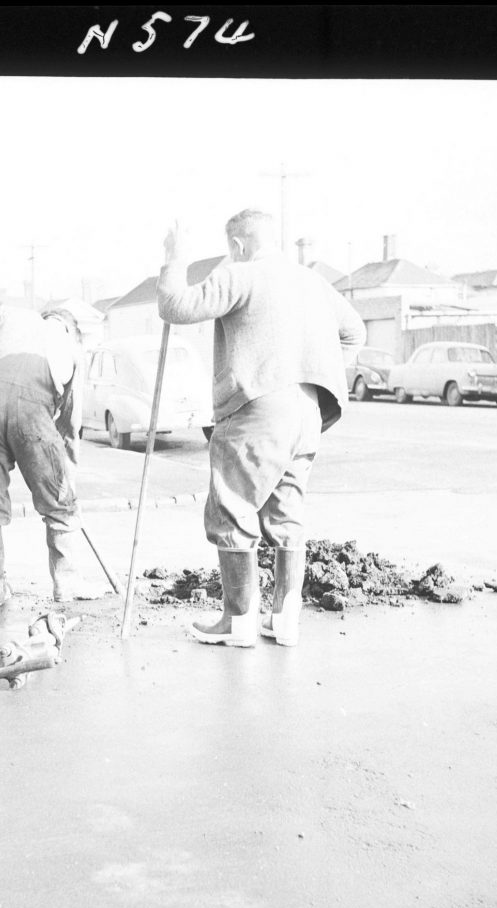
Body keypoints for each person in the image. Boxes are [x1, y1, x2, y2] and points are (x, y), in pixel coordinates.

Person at [157, 209, 366, 647]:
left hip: (259, 408)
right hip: (308, 413)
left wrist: (175, 259)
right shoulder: (312, 282)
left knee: (231, 507)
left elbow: (175, 306)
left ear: (237, 245)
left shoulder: (242, 275)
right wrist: (314, 371)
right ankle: (284, 621)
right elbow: (355, 333)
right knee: (285, 513)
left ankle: (238, 622)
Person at [0, 301, 107, 606]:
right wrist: (66, 485)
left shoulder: (13, 315)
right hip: (33, 409)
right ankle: (66, 583)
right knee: (59, 504)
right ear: (71, 329)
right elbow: (68, 428)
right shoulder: (71, 348)